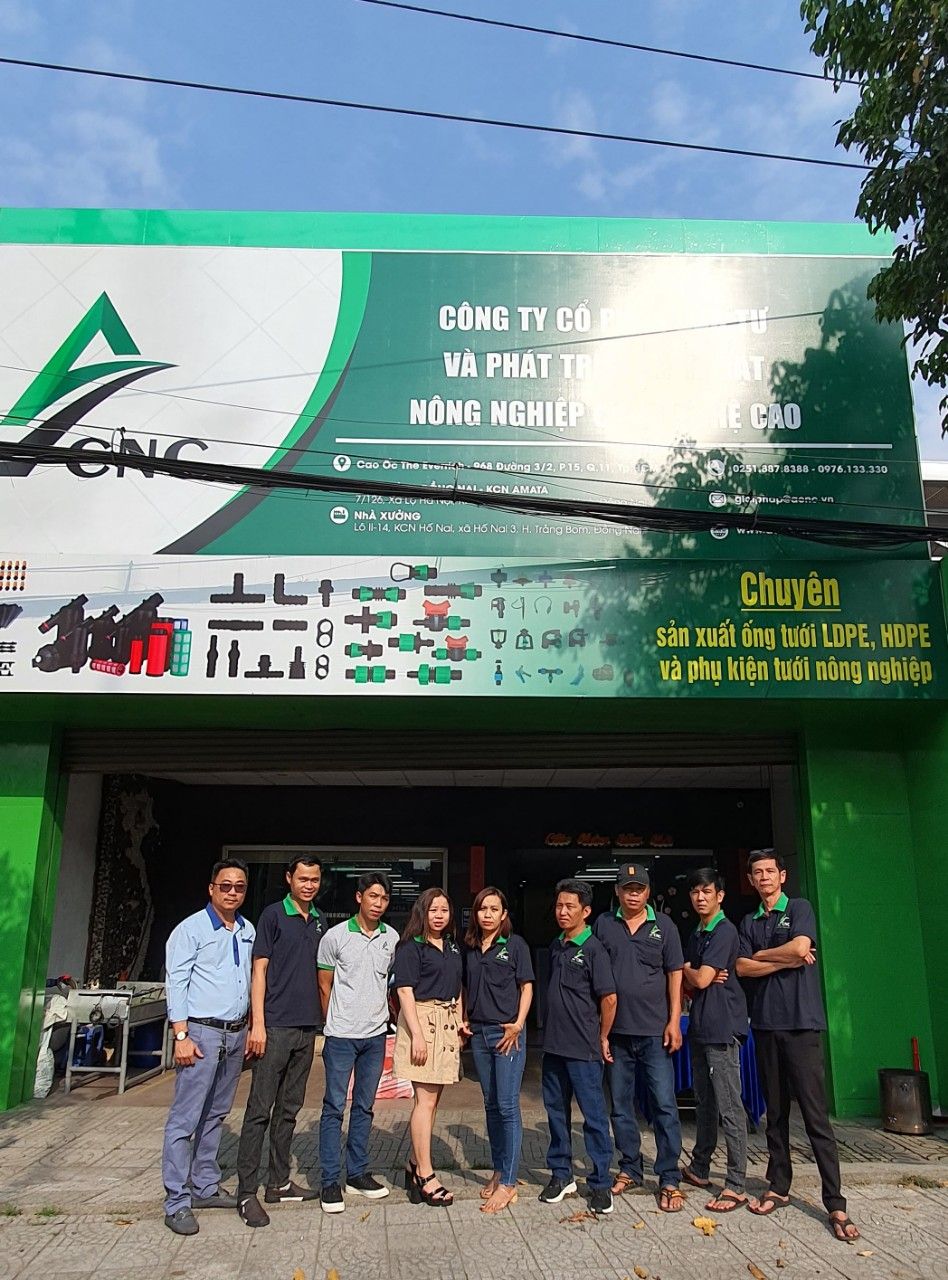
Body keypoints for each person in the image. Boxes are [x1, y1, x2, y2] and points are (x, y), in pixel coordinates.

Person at [735, 848, 859, 1242]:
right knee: (775, 1113)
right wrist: (785, 958)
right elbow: (742, 967)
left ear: (782, 876)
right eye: (757, 872)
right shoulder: (749, 921)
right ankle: (778, 1186)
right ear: (751, 880)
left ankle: (835, 1203)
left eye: (770, 871)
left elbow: (800, 946)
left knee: (815, 1116)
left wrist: (769, 955)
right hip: (766, 1026)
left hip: (802, 1026)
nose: (764, 877)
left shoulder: (799, 908)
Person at [161, 858, 255, 1236]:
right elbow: (176, 982)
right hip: (200, 1034)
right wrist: (180, 1035)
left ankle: (205, 1185)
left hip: (235, 1034)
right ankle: (177, 1200)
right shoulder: (191, 929)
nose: (232, 892)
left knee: (216, 1114)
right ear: (211, 888)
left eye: (239, 887)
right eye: (225, 886)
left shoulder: (247, 929)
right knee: (185, 1119)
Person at [235, 854, 326, 1228]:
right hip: (274, 1028)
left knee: (289, 1109)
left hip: (307, 1028)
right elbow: (259, 970)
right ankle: (246, 1192)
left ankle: (279, 1182)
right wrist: (257, 1023)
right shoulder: (272, 916)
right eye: (303, 878)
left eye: (314, 879)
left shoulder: (319, 920)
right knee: (259, 1110)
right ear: (289, 878)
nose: (309, 885)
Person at [593, 864, 685, 1212]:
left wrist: (674, 1020)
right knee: (620, 1107)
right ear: (617, 891)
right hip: (617, 1034)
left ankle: (669, 1176)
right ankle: (630, 1167)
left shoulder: (665, 926)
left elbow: (674, 974)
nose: (633, 894)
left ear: (648, 892)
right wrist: (599, 1031)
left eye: (639, 888)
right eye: (627, 888)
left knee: (664, 1105)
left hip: (655, 1033)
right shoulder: (604, 924)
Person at [316, 871, 398, 1214]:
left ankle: (357, 1174)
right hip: (341, 1037)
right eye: (373, 896)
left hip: (375, 1037)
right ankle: (329, 1180)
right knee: (334, 1107)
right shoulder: (335, 937)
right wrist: (333, 1024)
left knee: (364, 1107)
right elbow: (324, 985)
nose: (378, 903)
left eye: (384, 898)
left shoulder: (391, 938)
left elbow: (389, 983)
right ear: (359, 897)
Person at [539, 878, 617, 1216]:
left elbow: (609, 998)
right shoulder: (557, 945)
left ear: (585, 911)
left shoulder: (594, 949)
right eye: (559, 905)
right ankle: (561, 1174)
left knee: (594, 1117)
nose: (562, 912)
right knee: (556, 1113)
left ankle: (600, 1183)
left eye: (570, 906)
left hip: (584, 1049)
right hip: (553, 1047)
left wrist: (603, 1036)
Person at [680, 867, 749, 1212]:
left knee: (729, 1106)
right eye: (695, 892)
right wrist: (693, 973)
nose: (700, 897)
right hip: (700, 1026)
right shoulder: (697, 933)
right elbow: (693, 982)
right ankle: (699, 1167)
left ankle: (736, 1183)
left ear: (719, 896)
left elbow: (701, 979)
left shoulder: (724, 930)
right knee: (704, 1102)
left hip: (722, 1027)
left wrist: (684, 968)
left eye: (707, 891)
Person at [462, 886, 535, 1213]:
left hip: (507, 1034)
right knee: (491, 1105)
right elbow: (466, 986)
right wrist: (464, 1018)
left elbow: (526, 987)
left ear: (504, 914)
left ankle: (508, 1181)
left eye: (494, 909)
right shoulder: (471, 947)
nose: (488, 914)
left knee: (507, 1105)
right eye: (483, 909)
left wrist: (518, 1024)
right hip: (479, 1033)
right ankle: (499, 1169)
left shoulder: (515, 945)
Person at [393, 887, 464, 1207]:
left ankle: (413, 1163)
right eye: (433, 910)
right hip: (423, 1021)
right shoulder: (411, 947)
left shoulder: (451, 946)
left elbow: (458, 987)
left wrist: (460, 1021)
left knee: (433, 1102)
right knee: (424, 1101)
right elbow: (404, 992)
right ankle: (425, 1174)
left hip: (446, 1023)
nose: (439, 916)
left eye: (444, 910)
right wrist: (417, 1035)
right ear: (422, 912)